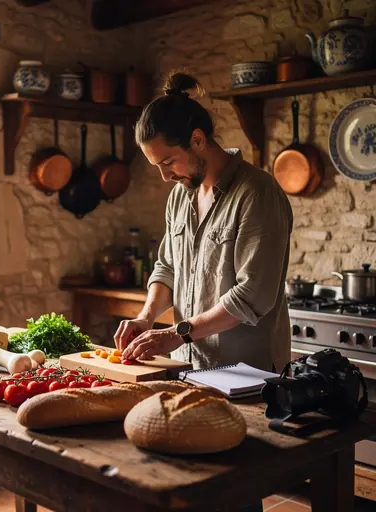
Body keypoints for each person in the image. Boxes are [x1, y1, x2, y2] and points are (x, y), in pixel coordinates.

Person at [114, 72, 293, 512]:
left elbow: (253, 294)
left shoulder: (257, 193)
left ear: (197, 140)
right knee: (189, 487)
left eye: (167, 162)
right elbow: (166, 266)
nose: (163, 176)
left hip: (247, 374)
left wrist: (177, 332)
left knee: (236, 491)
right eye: (155, 165)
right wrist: (146, 316)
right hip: (188, 367)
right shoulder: (181, 194)